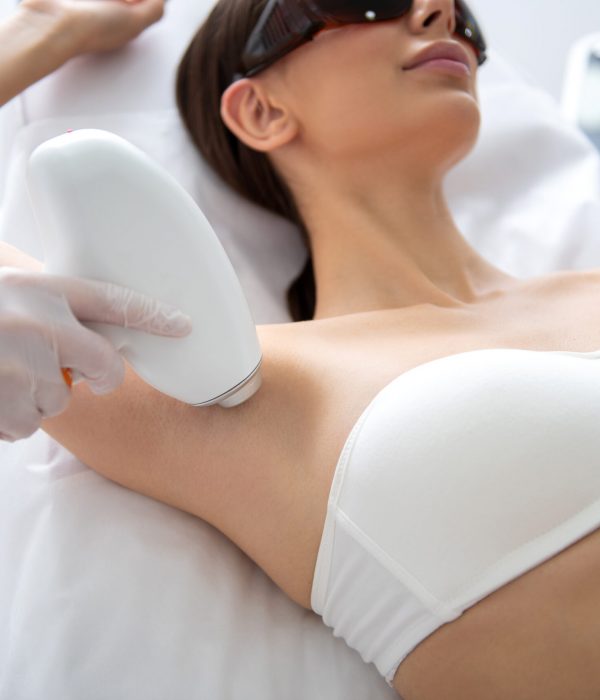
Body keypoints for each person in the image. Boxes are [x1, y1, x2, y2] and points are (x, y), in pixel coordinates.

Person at [1, 0, 600, 698]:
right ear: (260, 111)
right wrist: (40, 28)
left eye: (464, 18)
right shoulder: (224, 382)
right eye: (367, 0)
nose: (442, 13)